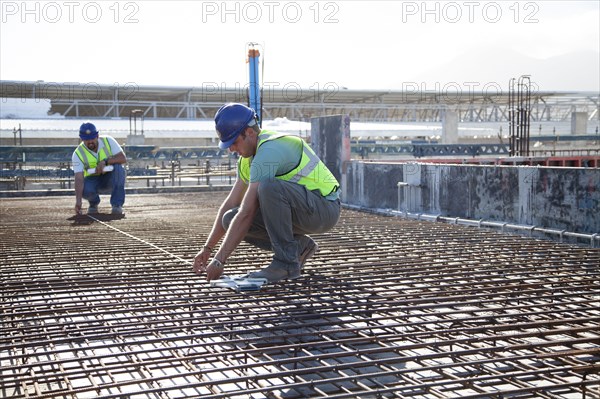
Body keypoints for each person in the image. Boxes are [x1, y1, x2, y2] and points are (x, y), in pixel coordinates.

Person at [193, 103, 341, 283]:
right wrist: (207, 249)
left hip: (324, 209)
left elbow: (246, 212)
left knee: (269, 187)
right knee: (229, 218)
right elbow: (231, 204)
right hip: (303, 210)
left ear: (249, 132)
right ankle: (298, 248)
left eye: (234, 142)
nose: (231, 149)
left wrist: (219, 260)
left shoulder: (270, 149)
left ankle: (286, 264)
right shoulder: (247, 159)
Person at [72, 122, 127, 215]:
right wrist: (78, 201)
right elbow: (78, 178)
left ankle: (117, 205)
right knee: (84, 188)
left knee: (118, 168)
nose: (90, 142)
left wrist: (105, 162)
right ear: (81, 139)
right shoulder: (77, 154)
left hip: (110, 179)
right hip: (92, 182)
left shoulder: (108, 141)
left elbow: (123, 158)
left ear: (97, 136)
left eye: (92, 138)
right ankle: (93, 203)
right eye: (86, 139)